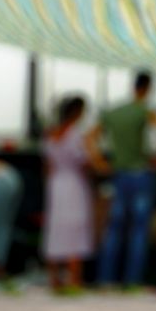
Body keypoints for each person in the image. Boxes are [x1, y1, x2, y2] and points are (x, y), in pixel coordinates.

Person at [84, 71, 156, 287]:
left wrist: (99, 162)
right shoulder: (143, 111)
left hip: (118, 174)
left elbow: (90, 137)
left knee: (114, 228)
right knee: (139, 230)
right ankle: (132, 279)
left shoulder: (114, 112)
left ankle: (106, 279)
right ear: (147, 88)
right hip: (141, 174)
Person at [43, 95, 95, 291]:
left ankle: (54, 279)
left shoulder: (51, 134)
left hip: (56, 184)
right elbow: (84, 162)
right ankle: (74, 280)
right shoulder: (76, 134)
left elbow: (48, 166)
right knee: (75, 229)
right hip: (73, 183)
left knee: (56, 229)